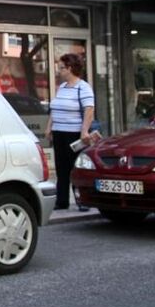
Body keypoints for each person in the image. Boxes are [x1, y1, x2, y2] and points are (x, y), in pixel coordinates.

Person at [44, 52, 95, 211]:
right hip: (59, 133)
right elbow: (55, 107)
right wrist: (49, 127)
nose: (59, 71)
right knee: (61, 168)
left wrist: (84, 131)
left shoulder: (83, 87)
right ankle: (62, 201)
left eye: (61, 68)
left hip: (74, 134)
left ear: (70, 68)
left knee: (76, 168)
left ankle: (82, 201)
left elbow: (89, 110)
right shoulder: (63, 88)